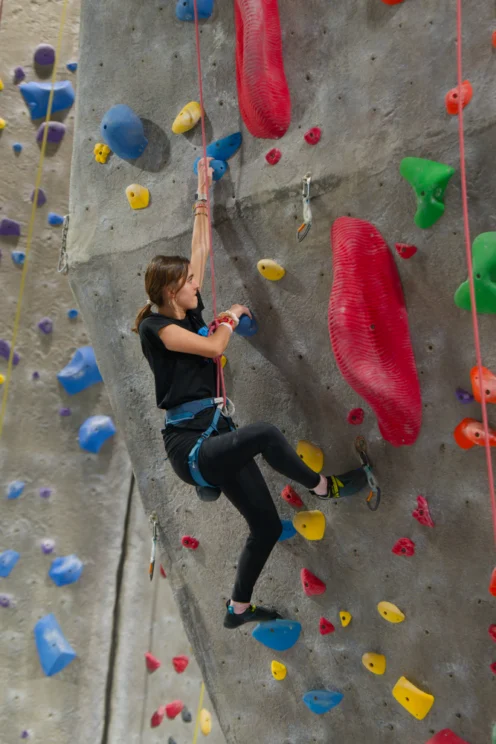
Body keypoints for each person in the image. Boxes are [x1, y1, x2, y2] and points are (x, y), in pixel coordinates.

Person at [133, 157, 367, 630]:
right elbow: (216, 347)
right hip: (192, 446)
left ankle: (237, 610)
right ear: (171, 293)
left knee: (263, 526)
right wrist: (231, 317)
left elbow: (198, 250)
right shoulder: (158, 328)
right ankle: (325, 487)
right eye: (189, 284)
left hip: (214, 432)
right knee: (263, 434)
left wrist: (202, 194)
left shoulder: (185, 309)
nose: (196, 284)